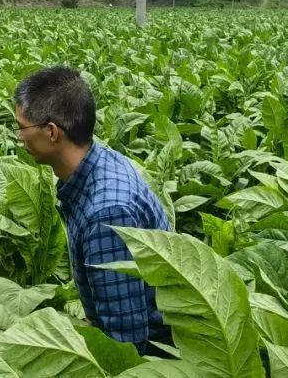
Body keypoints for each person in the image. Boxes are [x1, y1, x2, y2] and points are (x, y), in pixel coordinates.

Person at [12, 66, 172, 355]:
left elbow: (127, 347)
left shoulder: (107, 214)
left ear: (51, 132)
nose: (19, 137)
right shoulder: (101, 160)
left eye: (21, 128)